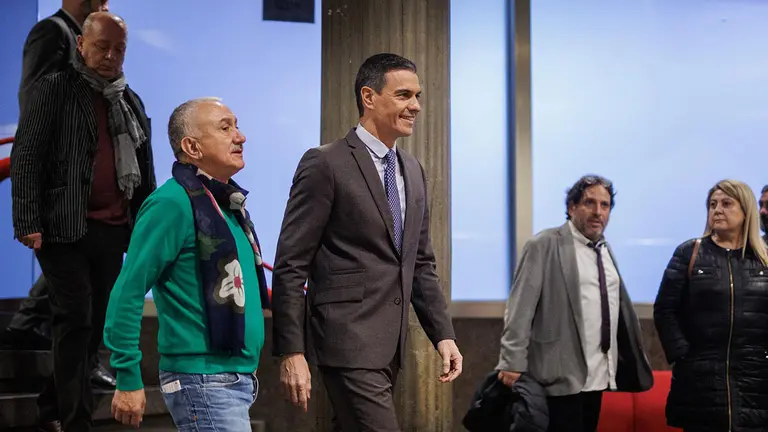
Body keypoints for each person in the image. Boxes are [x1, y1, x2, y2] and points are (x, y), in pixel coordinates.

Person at [271, 53, 462, 432]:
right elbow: (291, 264)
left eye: (418, 96)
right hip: (344, 340)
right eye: (404, 95)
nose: (416, 106)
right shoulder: (324, 163)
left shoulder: (413, 169)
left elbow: (420, 264)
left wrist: (444, 334)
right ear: (369, 97)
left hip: (390, 345)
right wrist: (291, 350)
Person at [10, 12, 155, 432]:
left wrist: (145, 229)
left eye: (118, 49)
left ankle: (50, 405)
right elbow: (27, 157)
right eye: (102, 46)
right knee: (75, 319)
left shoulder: (129, 100)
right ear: (81, 45)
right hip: (62, 228)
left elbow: (144, 169)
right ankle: (75, 422)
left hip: (113, 230)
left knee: (95, 326)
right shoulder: (53, 90)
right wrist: (27, 220)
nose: (110, 56)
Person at [105, 97, 270, 430]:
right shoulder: (171, 203)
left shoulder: (227, 206)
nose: (240, 136)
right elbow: (129, 290)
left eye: (236, 125)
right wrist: (127, 373)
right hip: (203, 381)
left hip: (234, 379)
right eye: (226, 128)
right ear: (192, 146)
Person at [3, 0, 116, 391]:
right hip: (64, 179)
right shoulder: (52, 32)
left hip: (87, 182)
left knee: (83, 268)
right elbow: (36, 100)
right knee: (75, 275)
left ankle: (27, 323)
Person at [496, 175, 653, 432]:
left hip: (597, 374)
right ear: (571, 207)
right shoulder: (545, 244)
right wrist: (511, 361)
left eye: (604, 205)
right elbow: (520, 308)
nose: (597, 211)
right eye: (589, 203)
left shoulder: (603, 249)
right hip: (556, 374)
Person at [654, 179, 768, 432]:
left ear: (746, 209)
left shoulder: (763, 259)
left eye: (727, 203)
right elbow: (664, 310)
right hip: (700, 380)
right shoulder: (689, 252)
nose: (717, 209)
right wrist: (684, 355)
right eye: (713, 204)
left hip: (755, 380)